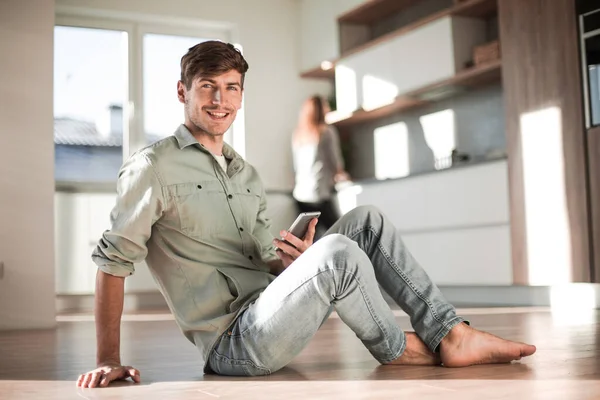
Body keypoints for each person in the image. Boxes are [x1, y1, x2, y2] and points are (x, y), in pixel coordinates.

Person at [76, 41, 536, 389]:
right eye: (207, 88)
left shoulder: (245, 173)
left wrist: (292, 260)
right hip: (235, 344)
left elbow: (263, 258)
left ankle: (448, 332)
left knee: (367, 220)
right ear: (183, 91)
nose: (220, 100)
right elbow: (111, 262)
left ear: (241, 95)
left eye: (231, 88)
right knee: (337, 252)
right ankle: (398, 350)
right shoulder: (152, 166)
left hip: (272, 309)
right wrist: (106, 357)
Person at [292, 95, 349, 239]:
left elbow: (296, 166)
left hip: (300, 196)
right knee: (341, 234)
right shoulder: (326, 132)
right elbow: (336, 164)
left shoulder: (298, 134)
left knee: (310, 242)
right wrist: (343, 176)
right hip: (318, 195)